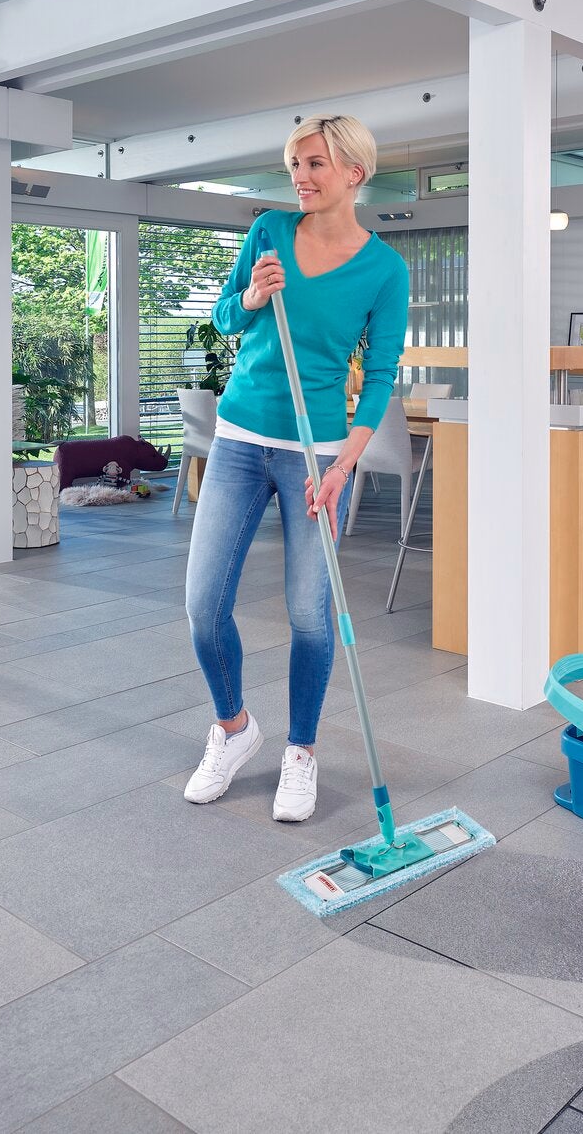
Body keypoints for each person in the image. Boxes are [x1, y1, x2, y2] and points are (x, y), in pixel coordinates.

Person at [180, 115, 409, 822]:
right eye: (294, 165)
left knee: (311, 615)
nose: (300, 178)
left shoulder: (385, 270)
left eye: (314, 164)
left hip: (319, 456)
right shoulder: (269, 233)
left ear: (354, 173)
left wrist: (345, 464)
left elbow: (380, 375)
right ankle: (233, 728)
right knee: (203, 606)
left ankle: (301, 751)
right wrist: (252, 297)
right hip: (239, 439)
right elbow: (223, 318)